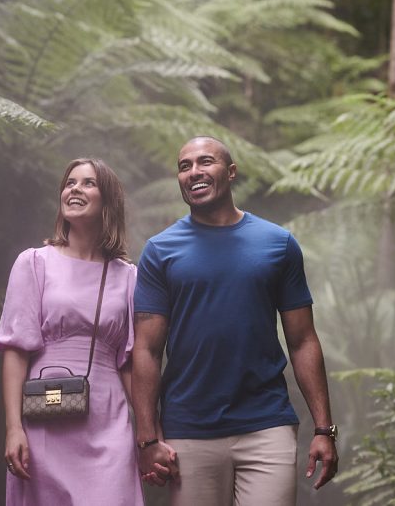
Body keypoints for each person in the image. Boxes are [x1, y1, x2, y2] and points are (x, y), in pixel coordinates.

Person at [131, 136, 339, 505]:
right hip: (188, 428)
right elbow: (146, 349)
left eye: (205, 162)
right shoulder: (160, 250)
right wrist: (147, 438)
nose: (194, 171)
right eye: (184, 166)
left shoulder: (277, 244)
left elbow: (303, 340)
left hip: (266, 425)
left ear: (230, 173)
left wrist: (324, 428)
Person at [0, 158, 173, 505]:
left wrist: (151, 436)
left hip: (108, 419)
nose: (75, 189)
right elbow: (16, 349)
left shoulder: (128, 277)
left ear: (108, 201)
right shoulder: (33, 262)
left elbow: (130, 364)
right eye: (70, 182)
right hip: (46, 415)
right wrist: (13, 428)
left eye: (88, 183)